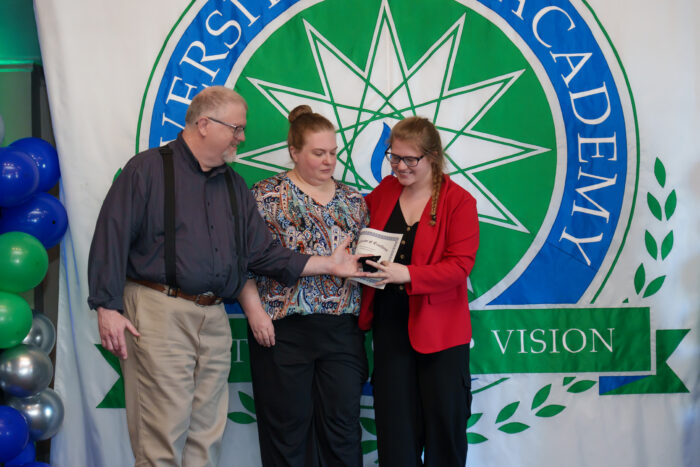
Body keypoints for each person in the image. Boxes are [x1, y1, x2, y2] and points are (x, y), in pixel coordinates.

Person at [87, 87, 363, 467]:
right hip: (158, 310)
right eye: (236, 129)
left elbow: (263, 254)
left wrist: (329, 265)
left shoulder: (232, 184)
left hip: (213, 315)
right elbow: (111, 235)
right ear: (204, 124)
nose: (242, 137)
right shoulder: (148, 169)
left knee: (207, 433)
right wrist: (107, 306)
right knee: (161, 435)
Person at [238, 105, 369, 466]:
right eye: (318, 153)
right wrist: (254, 312)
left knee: (343, 430)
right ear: (294, 151)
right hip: (281, 329)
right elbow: (240, 262)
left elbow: (365, 263)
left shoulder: (354, 201)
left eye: (333, 153)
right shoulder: (263, 196)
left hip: (342, 329)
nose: (328, 161)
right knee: (287, 432)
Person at [359, 116, 479, 466]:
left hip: (441, 332)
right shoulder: (384, 191)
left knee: (446, 435)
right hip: (390, 327)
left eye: (410, 159)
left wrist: (406, 274)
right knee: (395, 435)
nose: (399, 166)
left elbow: (459, 267)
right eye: (393, 157)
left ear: (433, 157)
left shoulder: (459, 201)